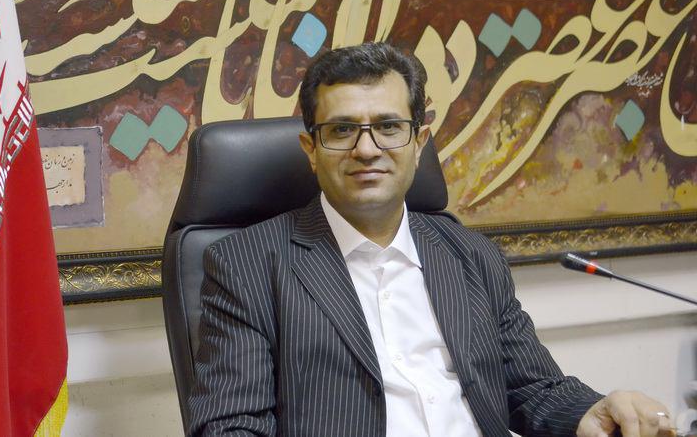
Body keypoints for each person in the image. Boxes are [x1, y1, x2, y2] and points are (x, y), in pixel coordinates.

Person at [187, 42, 672, 437]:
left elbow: (532, 388)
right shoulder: (247, 265)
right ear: (311, 149)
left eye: (389, 127)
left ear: (419, 144)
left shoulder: (471, 255)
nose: (366, 149)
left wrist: (593, 412)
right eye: (342, 130)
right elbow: (231, 427)